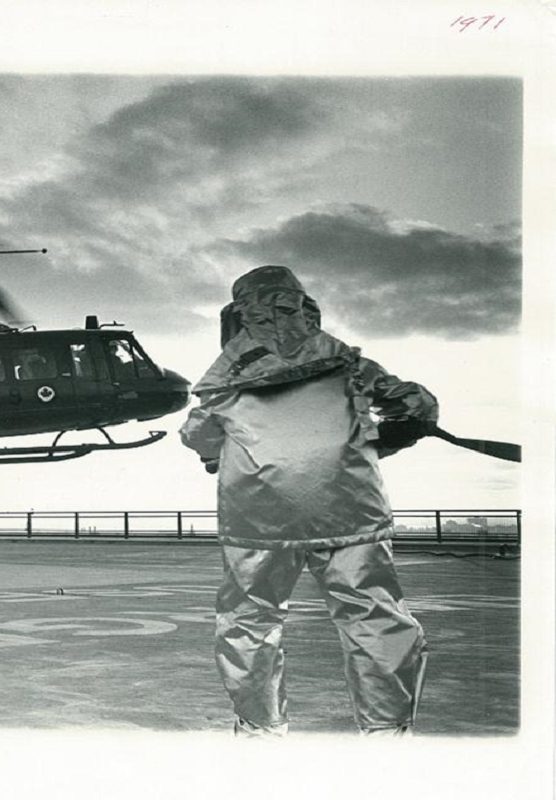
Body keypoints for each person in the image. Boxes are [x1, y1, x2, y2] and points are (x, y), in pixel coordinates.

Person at [179, 265, 436, 737]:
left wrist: (220, 453)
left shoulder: (225, 377)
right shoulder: (348, 364)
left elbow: (197, 436)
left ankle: (260, 732)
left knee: (250, 622)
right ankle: (387, 733)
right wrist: (381, 438)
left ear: (239, 315)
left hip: (258, 519)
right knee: (374, 617)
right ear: (304, 305)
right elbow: (416, 405)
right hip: (351, 508)